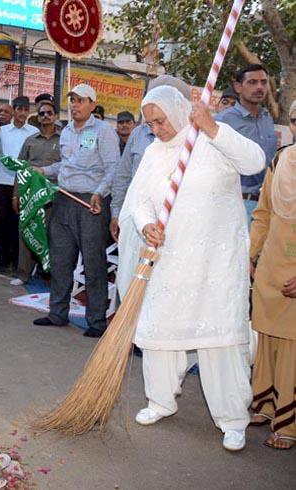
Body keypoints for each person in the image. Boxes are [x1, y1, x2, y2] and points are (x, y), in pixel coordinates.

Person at [122, 86, 265, 451]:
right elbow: (140, 202)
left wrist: (213, 128)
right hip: (170, 264)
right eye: (150, 123)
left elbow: (255, 162)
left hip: (215, 264)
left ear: (179, 109)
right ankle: (160, 400)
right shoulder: (154, 153)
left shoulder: (211, 137)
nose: (157, 128)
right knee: (160, 334)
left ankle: (233, 419)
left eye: (161, 119)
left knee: (218, 339)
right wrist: (147, 225)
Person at [32, 84, 119, 338]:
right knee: (60, 260)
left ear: (92, 104)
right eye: (72, 100)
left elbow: (113, 168)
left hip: (90, 204)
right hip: (63, 200)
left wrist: (99, 193)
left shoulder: (104, 132)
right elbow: (66, 165)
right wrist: (44, 171)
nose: (75, 105)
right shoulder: (67, 131)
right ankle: (57, 313)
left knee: (94, 263)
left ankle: (96, 321)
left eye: (80, 101)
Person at [249, 135, 296, 450]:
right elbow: (263, 213)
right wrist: (251, 255)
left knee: (292, 347)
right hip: (271, 265)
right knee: (265, 340)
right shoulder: (281, 160)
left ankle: (288, 423)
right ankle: (265, 405)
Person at [109, 74, 192, 247]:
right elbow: (123, 177)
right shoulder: (138, 134)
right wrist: (116, 212)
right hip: (140, 222)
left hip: (179, 228)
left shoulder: (195, 140)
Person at [216, 64, 277, 221]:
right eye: (252, 82)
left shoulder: (267, 119)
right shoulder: (223, 121)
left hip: (265, 205)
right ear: (238, 87)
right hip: (232, 204)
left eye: (263, 82)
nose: (259, 87)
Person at [13, 99, 58, 284]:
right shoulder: (30, 141)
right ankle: (23, 274)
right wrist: (16, 194)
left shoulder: (64, 140)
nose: (46, 116)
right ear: (38, 118)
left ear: (55, 116)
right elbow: (20, 168)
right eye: (42, 113)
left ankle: (49, 273)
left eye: (49, 113)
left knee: (53, 235)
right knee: (27, 232)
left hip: (54, 195)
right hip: (30, 194)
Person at [0, 96, 38, 274]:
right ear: (14, 111)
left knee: (18, 223)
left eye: (26, 110)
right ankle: (1, 259)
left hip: (23, 184)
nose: (22, 113)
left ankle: (16, 260)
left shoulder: (33, 132)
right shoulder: (3, 131)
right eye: (19, 109)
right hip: (2, 181)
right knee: (1, 221)